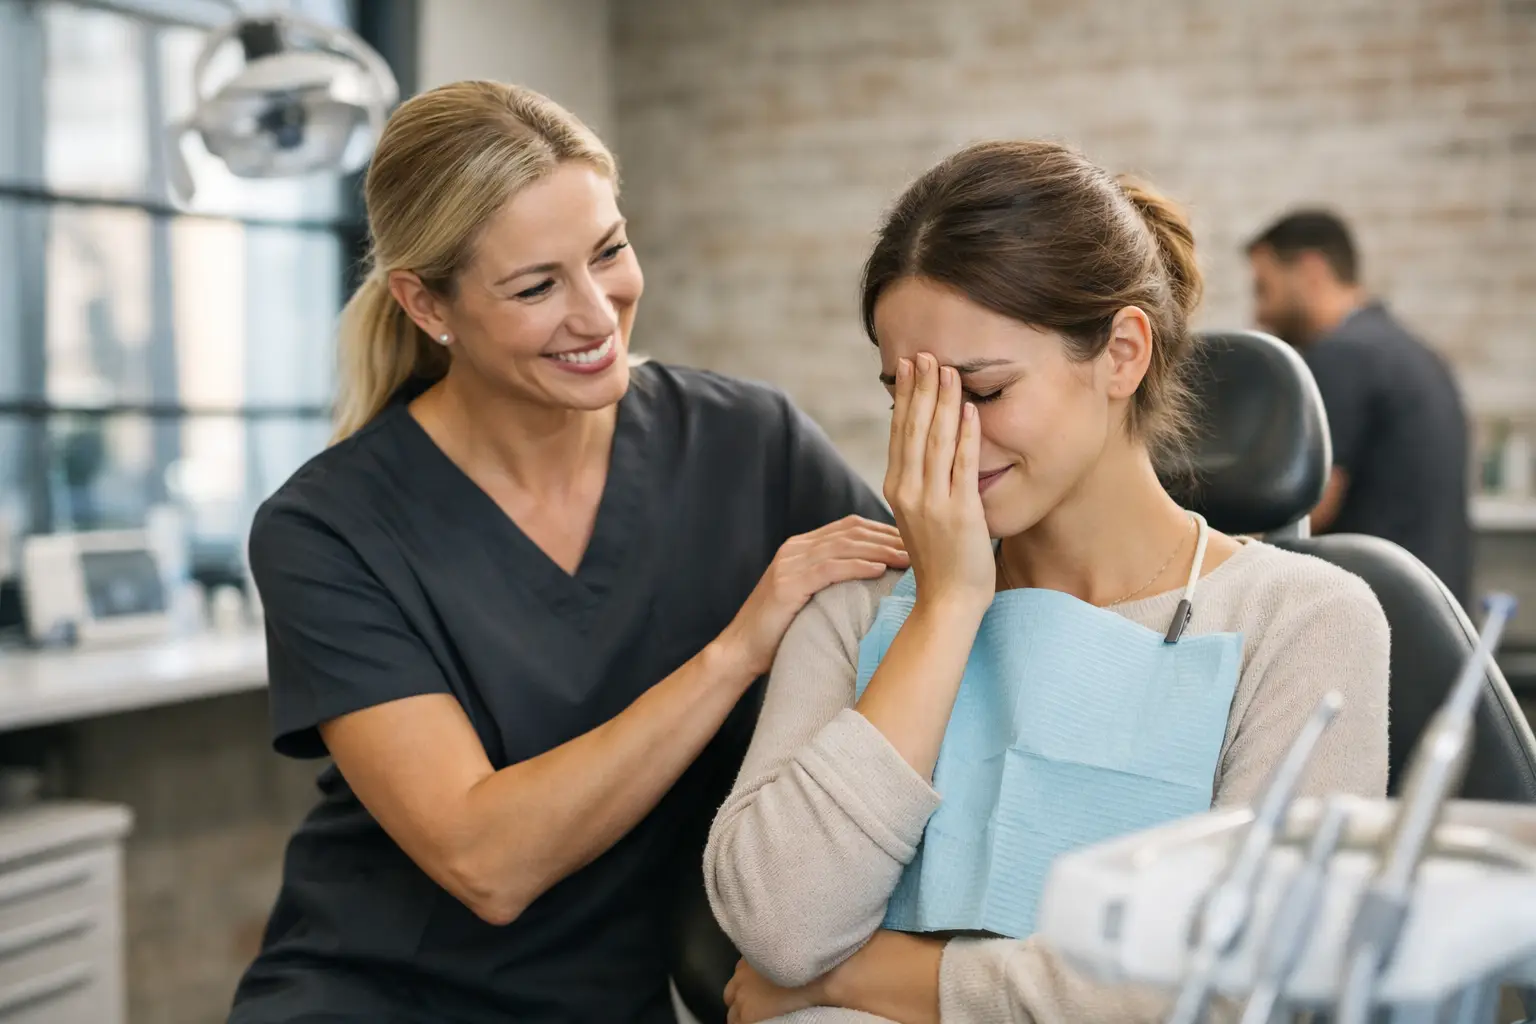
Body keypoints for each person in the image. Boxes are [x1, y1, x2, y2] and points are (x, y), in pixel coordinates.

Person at [228, 81, 908, 1024]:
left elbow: (928, 627)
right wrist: (735, 652)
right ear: (428, 305)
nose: (597, 315)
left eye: (610, 252)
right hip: (379, 994)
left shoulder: (748, 445)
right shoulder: (327, 528)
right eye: (537, 286)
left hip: (612, 996)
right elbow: (487, 861)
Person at [703, 142, 1390, 1023]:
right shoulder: (857, 604)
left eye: (982, 393)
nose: (943, 439)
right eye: (907, 398)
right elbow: (780, 931)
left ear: (1122, 354)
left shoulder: (1302, 622)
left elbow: (1254, 989)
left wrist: (888, 983)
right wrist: (947, 608)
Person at [1247, 209, 1472, 605]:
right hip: (1435, 613)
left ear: (1311, 270)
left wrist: (1210, 548)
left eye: (1265, 289)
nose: (1259, 314)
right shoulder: (1412, 352)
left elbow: (1309, 509)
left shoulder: (1342, 355)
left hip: (1383, 612)